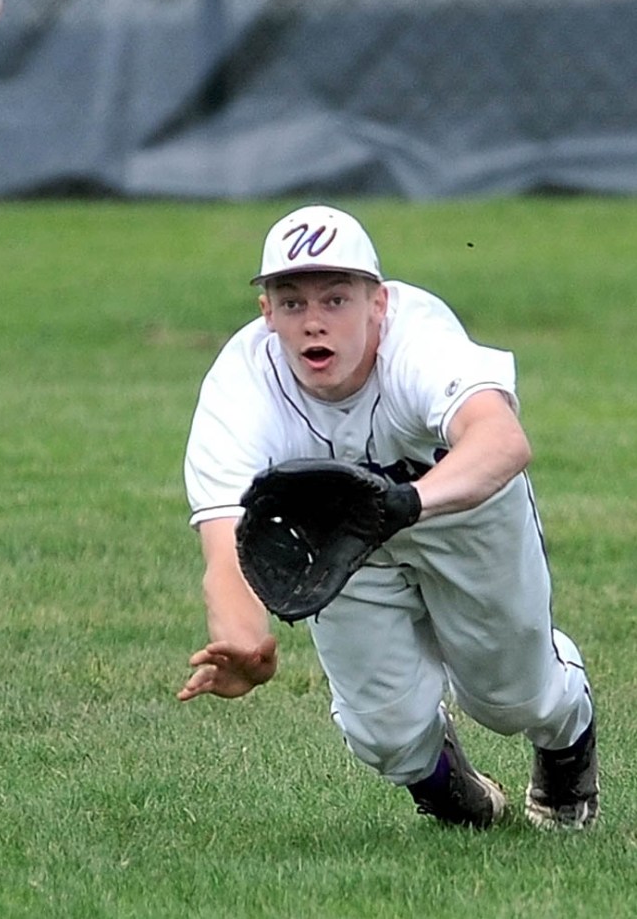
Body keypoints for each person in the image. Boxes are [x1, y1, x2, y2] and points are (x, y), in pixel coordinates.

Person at [178, 204, 599, 830]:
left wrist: (408, 503)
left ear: (379, 303)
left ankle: (567, 740)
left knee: (511, 697)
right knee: (382, 731)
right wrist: (244, 641)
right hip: (341, 538)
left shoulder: (418, 342)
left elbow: (502, 442)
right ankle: (461, 798)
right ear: (266, 313)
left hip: (463, 511)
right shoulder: (241, 387)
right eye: (291, 302)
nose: (314, 322)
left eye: (337, 299)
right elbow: (225, 546)